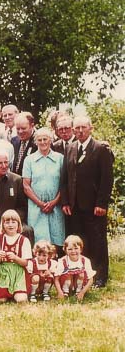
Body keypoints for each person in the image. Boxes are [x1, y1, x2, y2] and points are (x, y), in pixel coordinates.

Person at [60, 116, 113, 288]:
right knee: (80, 241)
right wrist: (66, 201)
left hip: (94, 206)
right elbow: (65, 178)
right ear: (73, 130)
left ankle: (100, 276)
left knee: (97, 241)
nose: (80, 131)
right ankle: (82, 274)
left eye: (84, 127)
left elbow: (107, 179)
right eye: (77, 128)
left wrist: (102, 204)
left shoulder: (100, 149)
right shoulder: (70, 148)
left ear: (91, 128)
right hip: (74, 206)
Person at [22, 127, 65, 251]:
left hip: (55, 206)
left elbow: (64, 184)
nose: (42, 142)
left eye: (45, 139)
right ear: (35, 142)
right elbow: (26, 186)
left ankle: (55, 266)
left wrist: (54, 202)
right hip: (36, 206)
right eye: (39, 140)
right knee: (38, 239)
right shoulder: (29, 160)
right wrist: (40, 203)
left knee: (56, 239)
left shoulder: (59, 158)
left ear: (50, 140)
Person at [0, 210, 32, 303]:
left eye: (13, 222)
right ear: (3, 224)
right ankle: (7, 292)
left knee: (21, 300)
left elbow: (25, 262)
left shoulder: (24, 240)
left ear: (18, 224)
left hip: (18, 272)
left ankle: (17, 292)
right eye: (7, 222)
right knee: (0, 300)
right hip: (3, 272)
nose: (10, 225)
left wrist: (15, 258)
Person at [0, 149, 28, 225]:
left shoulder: (17, 180)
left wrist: (12, 220)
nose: (4, 166)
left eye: (6, 162)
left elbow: (23, 207)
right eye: (0, 163)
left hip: (11, 222)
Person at [53, 235, 96, 301]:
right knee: (67, 273)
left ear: (81, 249)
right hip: (67, 284)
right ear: (66, 250)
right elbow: (56, 278)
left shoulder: (85, 260)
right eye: (70, 249)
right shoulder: (62, 261)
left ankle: (78, 292)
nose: (73, 251)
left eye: (76, 248)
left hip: (79, 285)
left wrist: (82, 293)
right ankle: (66, 292)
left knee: (81, 273)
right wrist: (59, 292)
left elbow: (91, 279)